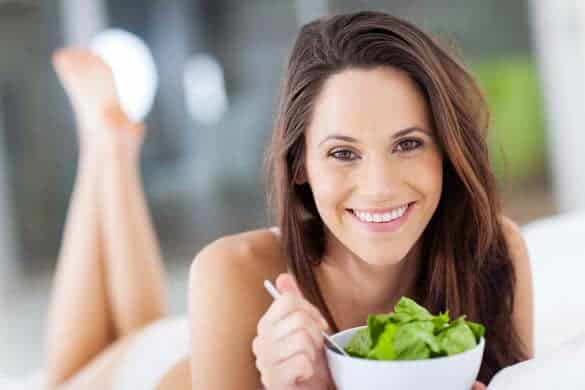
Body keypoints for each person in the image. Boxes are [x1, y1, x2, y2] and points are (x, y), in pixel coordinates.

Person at [43, 10, 533, 390]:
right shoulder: (231, 270)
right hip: (148, 375)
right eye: (343, 153)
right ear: (300, 165)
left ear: (447, 150)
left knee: (144, 324)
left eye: (407, 144)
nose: (380, 185)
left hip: (189, 338)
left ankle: (114, 147)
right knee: (67, 377)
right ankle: (105, 152)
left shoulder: (493, 250)